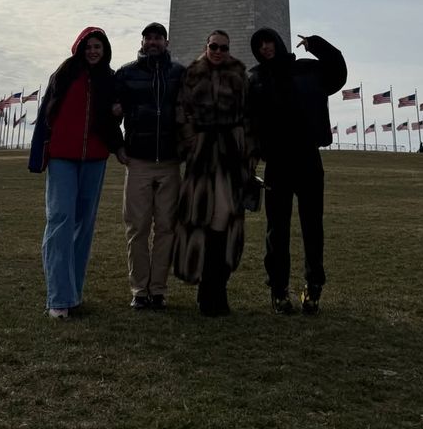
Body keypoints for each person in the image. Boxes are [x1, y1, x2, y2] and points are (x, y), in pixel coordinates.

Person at [248, 28, 347, 315]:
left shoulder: (307, 69)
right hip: (277, 163)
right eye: (259, 45)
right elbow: (250, 120)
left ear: (278, 42)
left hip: (308, 158)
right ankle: (278, 290)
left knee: (312, 226)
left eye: (268, 41)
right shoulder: (254, 78)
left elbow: (338, 71)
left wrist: (316, 44)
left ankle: (314, 287)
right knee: (276, 230)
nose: (265, 47)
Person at [28, 26, 125, 319]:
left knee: (84, 226)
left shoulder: (110, 79)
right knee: (60, 221)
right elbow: (46, 114)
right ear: (79, 48)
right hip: (62, 158)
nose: (93, 51)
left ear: (104, 50)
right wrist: (37, 155)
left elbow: (111, 122)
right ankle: (58, 297)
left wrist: (119, 141)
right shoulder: (64, 75)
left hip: (94, 158)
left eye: (98, 47)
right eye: (89, 46)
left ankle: (73, 293)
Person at [173, 30, 255, 316]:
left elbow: (249, 115)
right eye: (213, 46)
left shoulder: (239, 76)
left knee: (224, 221)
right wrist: (189, 141)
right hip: (202, 156)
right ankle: (206, 291)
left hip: (231, 155)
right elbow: (181, 111)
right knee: (201, 220)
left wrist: (247, 148)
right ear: (205, 46)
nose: (218, 51)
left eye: (223, 47)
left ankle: (217, 290)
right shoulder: (192, 74)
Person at [114, 21, 186, 311]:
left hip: (170, 162)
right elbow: (111, 114)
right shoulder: (126, 73)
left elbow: (191, 110)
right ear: (142, 42)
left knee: (167, 228)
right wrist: (117, 145)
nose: (153, 42)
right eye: (148, 38)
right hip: (139, 161)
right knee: (137, 228)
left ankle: (158, 290)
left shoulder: (180, 74)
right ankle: (139, 290)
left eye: (158, 38)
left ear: (166, 42)